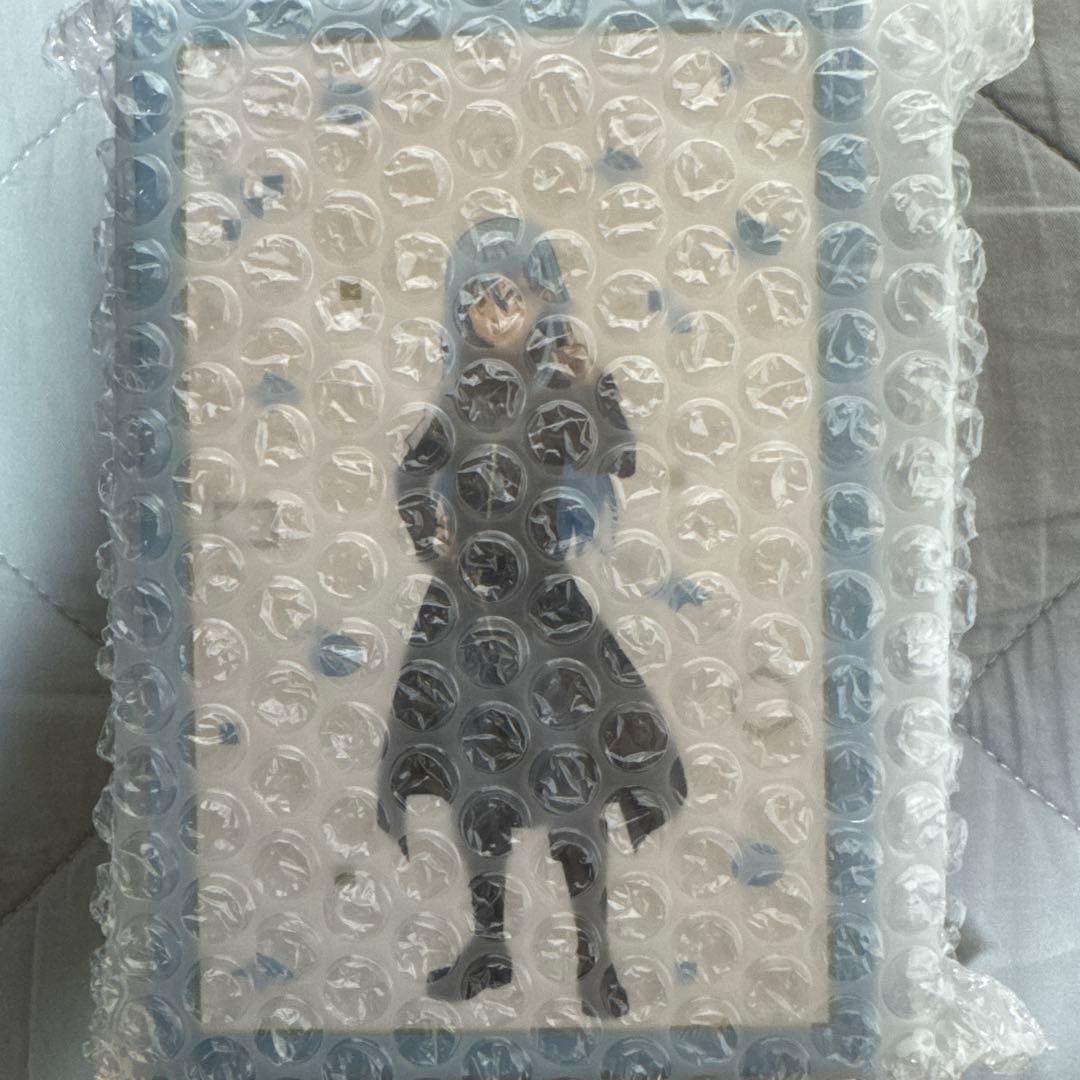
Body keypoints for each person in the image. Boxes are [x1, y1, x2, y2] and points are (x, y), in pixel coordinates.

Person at [376, 217, 686, 1019]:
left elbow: (620, 457)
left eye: (509, 297)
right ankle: (489, 946)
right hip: (467, 611)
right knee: (478, 785)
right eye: (478, 302)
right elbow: (412, 474)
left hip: (547, 609)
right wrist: (432, 539)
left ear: (543, 297)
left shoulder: (561, 388)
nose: (495, 315)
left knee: (574, 783)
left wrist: (592, 383)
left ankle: (595, 959)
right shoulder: (462, 396)